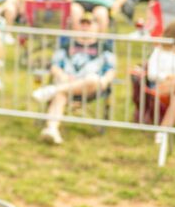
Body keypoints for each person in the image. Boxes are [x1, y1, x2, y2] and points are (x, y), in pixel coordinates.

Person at [31, 14, 117, 144]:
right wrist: (62, 76)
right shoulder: (66, 46)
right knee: (61, 94)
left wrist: (105, 80)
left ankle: (52, 90)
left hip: (91, 86)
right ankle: (52, 130)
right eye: (82, 24)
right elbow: (55, 66)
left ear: (97, 27)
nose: (85, 27)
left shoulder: (104, 47)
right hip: (67, 82)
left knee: (92, 79)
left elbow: (111, 69)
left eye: (89, 24)